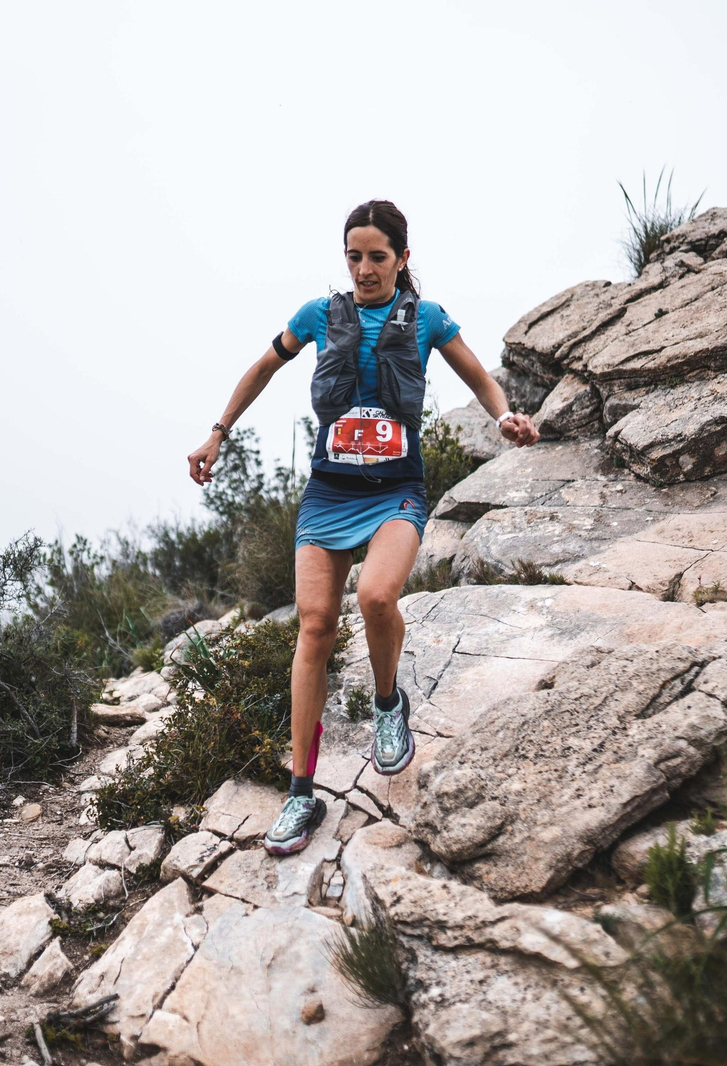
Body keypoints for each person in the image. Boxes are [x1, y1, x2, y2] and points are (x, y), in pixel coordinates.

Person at [187, 200, 540, 855]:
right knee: (315, 627)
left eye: (378, 256)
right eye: (355, 256)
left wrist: (504, 418)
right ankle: (300, 795)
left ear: (402, 258)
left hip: (396, 492)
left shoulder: (427, 319)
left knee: (378, 597)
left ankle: (387, 705)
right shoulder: (318, 316)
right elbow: (265, 365)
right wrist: (218, 433)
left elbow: (477, 375)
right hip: (328, 495)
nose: (365, 268)